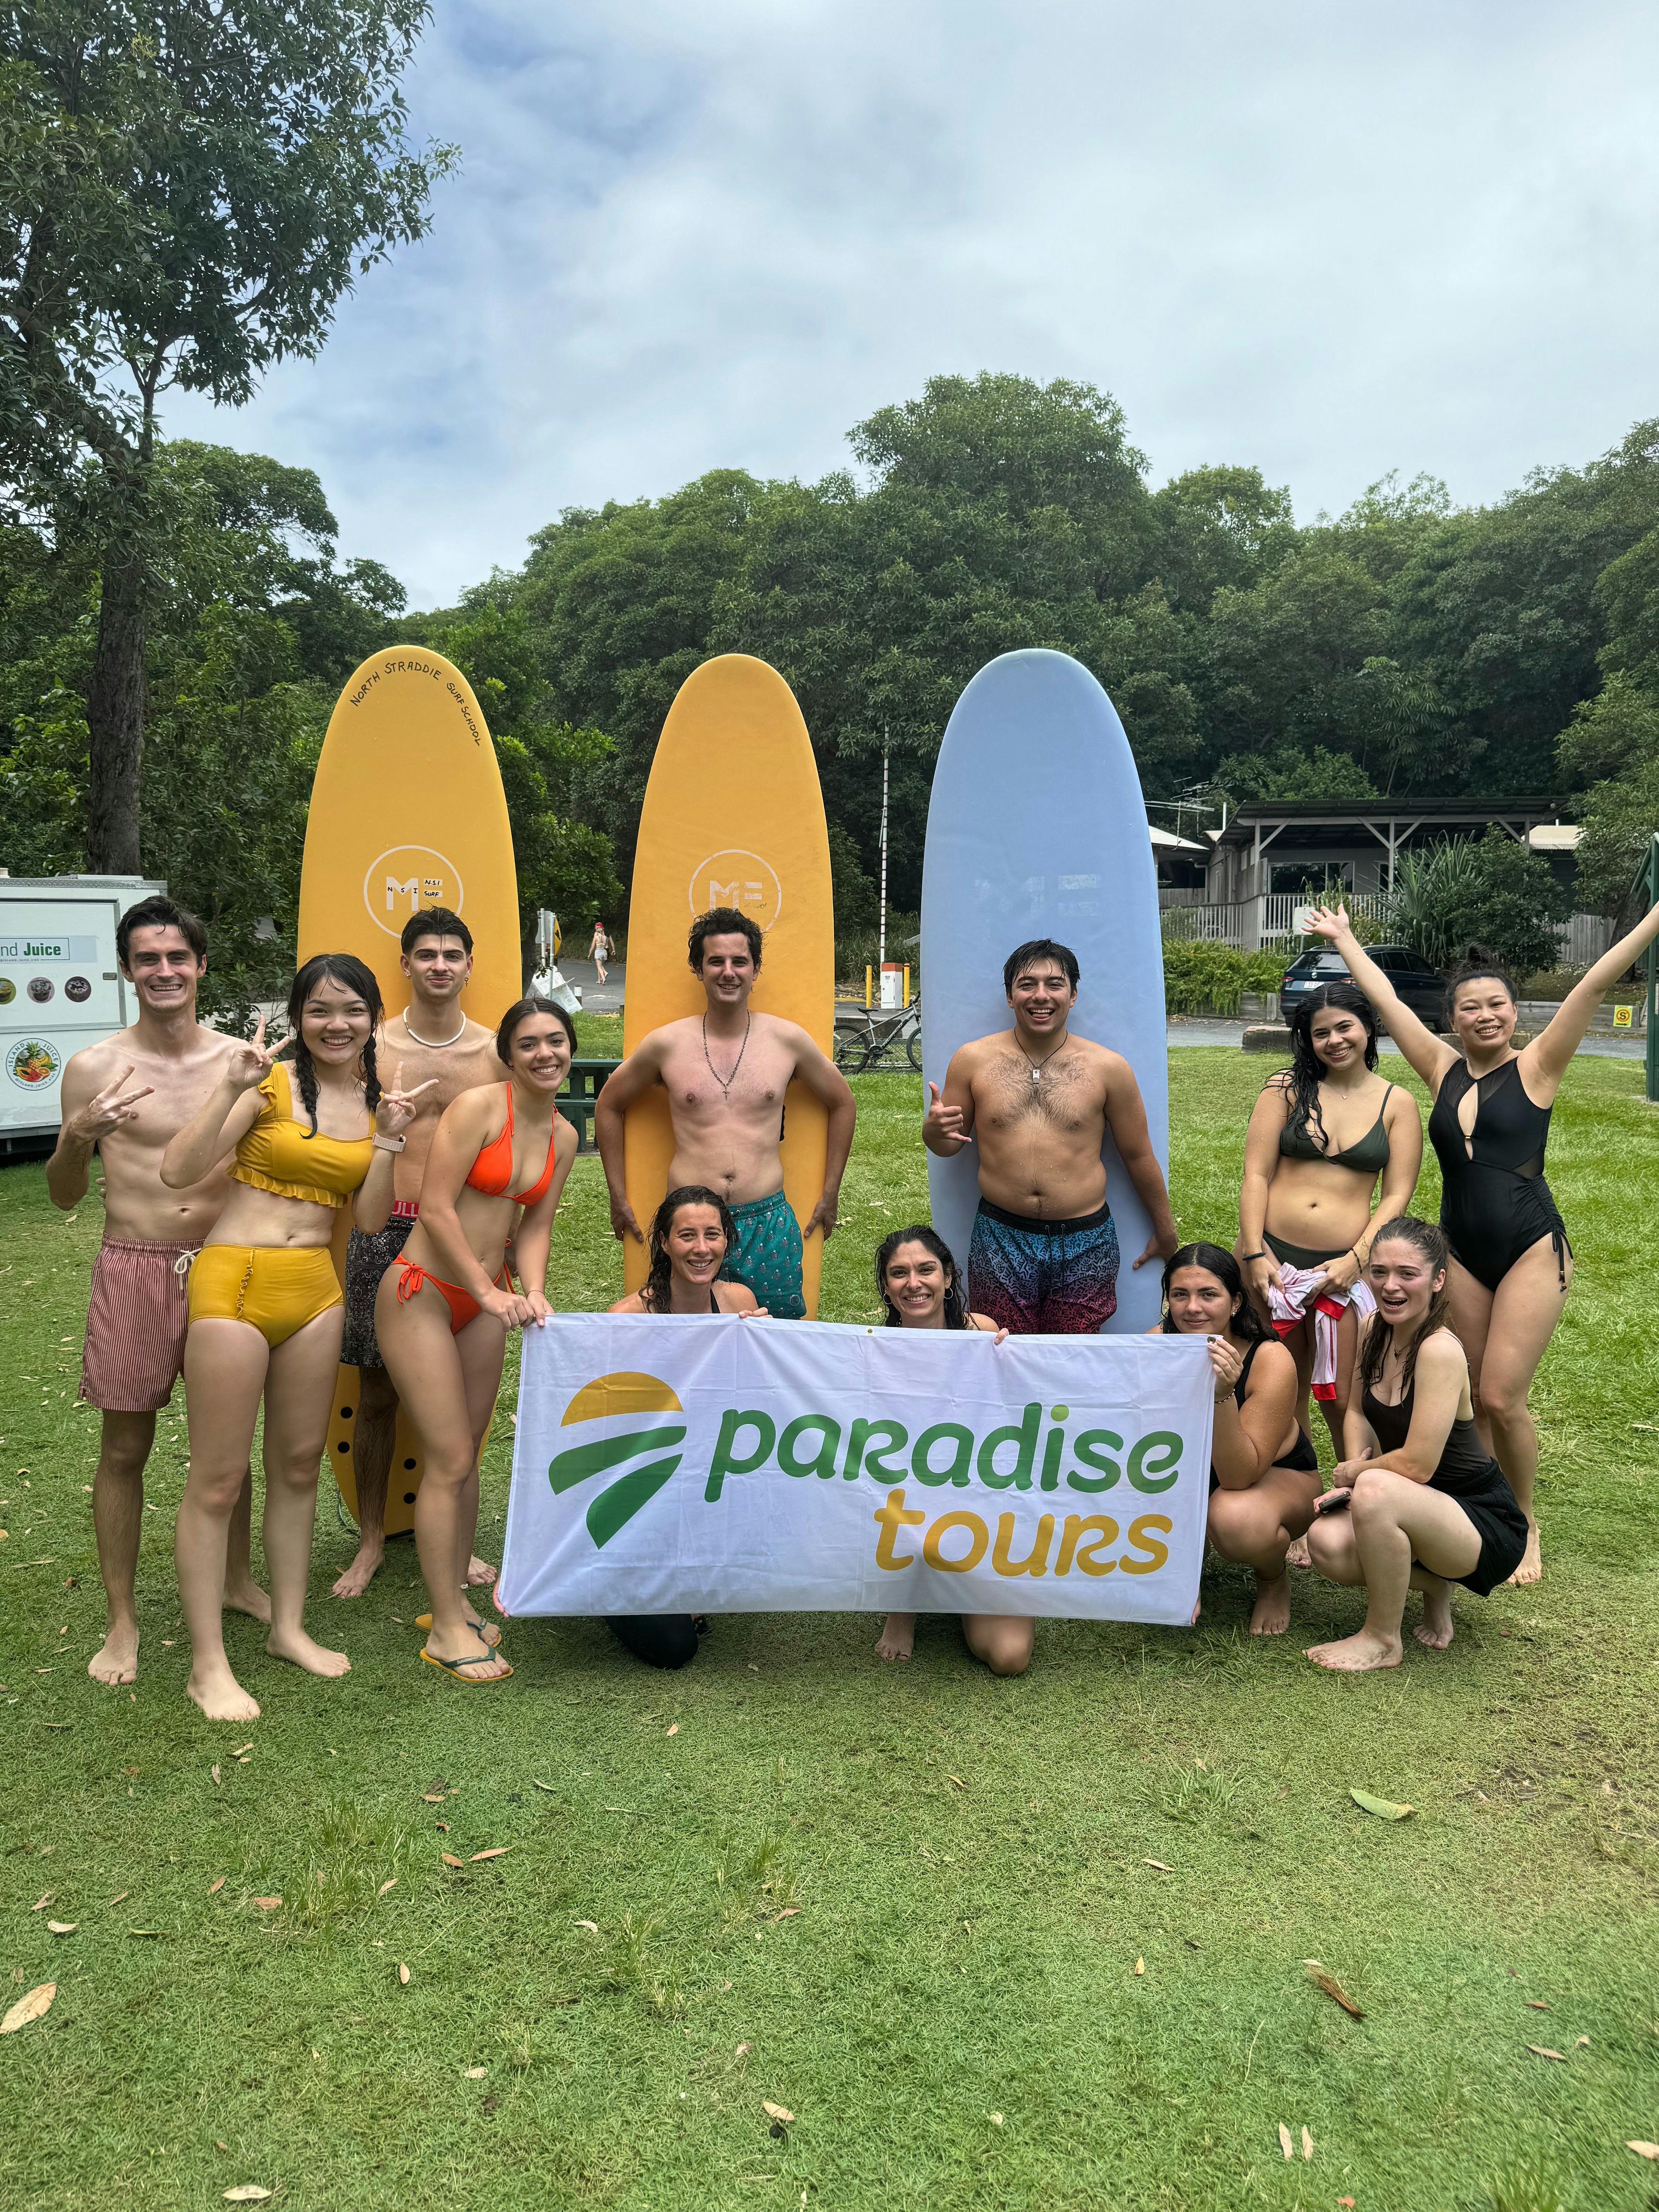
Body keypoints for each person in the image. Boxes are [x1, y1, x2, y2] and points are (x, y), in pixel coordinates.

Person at [1306, 898, 1659, 1583]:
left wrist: (1651, 922)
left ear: (1513, 1011)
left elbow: (1589, 985)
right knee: (1464, 1389)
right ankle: (1477, 1507)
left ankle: (1522, 1521)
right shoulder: (1441, 1069)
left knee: (1500, 1396)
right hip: (1460, 1251)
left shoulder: (1536, 1067)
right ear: (1452, 1018)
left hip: (1529, 1243)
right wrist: (1345, 939)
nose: (1484, 1016)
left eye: (1496, 1005)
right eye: (1469, 1008)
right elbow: (1385, 1003)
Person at [160, 957, 426, 1722]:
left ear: (373, 1017)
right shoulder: (269, 1085)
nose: (335, 1024)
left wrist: (389, 1141)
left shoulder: (376, 1102)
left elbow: (372, 1220)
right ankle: (207, 1665)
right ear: (299, 1018)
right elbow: (180, 1171)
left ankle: (287, 1628)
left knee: (300, 1467)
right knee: (216, 1479)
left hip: (317, 1289)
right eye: (319, 1010)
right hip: (235, 1281)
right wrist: (229, 1089)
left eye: (350, 1010)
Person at [47, 894, 270, 1686]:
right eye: (148, 958)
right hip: (134, 1262)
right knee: (124, 1448)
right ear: (127, 969)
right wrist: (76, 1140)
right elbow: (65, 1194)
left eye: (178, 957)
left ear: (202, 966)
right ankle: (122, 1621)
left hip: (224, 1262)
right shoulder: (96, 1069)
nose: (165, 970)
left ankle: (238, 1582)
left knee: (228, 1447)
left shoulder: (238, 1062)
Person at [376, 997, 579, 1684]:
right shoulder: (477, 1109)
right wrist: (489, 1290)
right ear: (509, 1056)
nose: (544, 1054)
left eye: (556, 1041)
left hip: (485, 1300)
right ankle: (446, 1626)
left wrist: (533, 1286)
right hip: (422, 1292)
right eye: (529, 1044)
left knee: (467, 1458)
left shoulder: (565, 1135)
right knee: (450, 1455)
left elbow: (536, 1225)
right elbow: (434, 1206)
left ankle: (451, 1607)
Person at [333, 907, 503, 1600]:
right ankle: (372, 1537)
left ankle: (457, 1543)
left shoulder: (495, 1051)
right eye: (425, 954)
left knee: (464, 1403)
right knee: (374, 1394)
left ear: (468, 964)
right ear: (404, 964)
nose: (439, 965)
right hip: (383, 1228)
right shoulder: (367, 1045)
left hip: (459, 1240)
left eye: (451, 954)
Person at [595, 906, 856, 1320]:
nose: (728, 971)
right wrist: (618, 1195)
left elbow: (842, 1102)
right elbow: (609, 1104)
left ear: (756, 969)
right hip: (689, 1226)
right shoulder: (667, 1044)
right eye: (716, 961)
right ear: (698, 968)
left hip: (765, 1221)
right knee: (682, 1339)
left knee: (775, 1337)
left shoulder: (788, 1040)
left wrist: (831, 1192)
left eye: (740, 961)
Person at [1304, 1216, 1527, 1671]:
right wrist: (1352, 1473)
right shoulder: (1371, 1328)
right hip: (1417, 1505)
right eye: (1380, 1272)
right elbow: (1356, 1411)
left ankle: (1383, 1639)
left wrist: (1356, 1475)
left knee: (1376, 1490)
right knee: (1326, 1541)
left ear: (1438, 1280)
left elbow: (1420, 1466)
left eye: (1408, 1274)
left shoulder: (1440, 1351)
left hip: (1481, 1521)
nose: (1391, 1286)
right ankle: (1433, 1584)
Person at [923, 938, 1178, 1333]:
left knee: (1073, 1354)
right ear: (1010, 996)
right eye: (1027, 984)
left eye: (1055, 984)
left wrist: (1165, 1229)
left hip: (1085, 1238)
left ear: (1073, 995)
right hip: (1000, 1236)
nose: (1041, 996)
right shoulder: (973, 1060)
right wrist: (933, 1132)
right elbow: (946, 1147)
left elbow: (1138, 1155)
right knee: (999, 1347)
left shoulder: (1109, 1068)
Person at [1238, 982, 1422, 1452]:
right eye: (1321, 1033)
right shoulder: (1285, 1088)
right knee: (1280, 1388)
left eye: (1345, 1027)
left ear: (1368, 1028)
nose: (1335, 1040)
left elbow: (1396, 1195)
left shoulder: (1396, 1102)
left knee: (1341, 1397)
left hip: (1342, 1267)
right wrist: (1256, 1253)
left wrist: (1356, 1261)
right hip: (1270, 1260)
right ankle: (1295, 1502)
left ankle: (1356, 1500)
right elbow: (1256, 1175)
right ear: (1308, 1040)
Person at [605, 1184, 763, 1670]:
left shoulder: (739, 1301)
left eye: (712, 1235)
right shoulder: (627, 1317)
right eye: (687, 1236)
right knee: (676, 1648)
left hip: (707, 1474)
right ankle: (604, 1586)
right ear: (666, 1244)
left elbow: (754, 1400)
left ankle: (691, 1571)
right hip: (643, 1489)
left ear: (727, 1241)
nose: (701, 1248)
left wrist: (762, 1348)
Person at [867, 1224, 1020, 1673]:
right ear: (886, 1288)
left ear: (949, 1277)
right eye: (899, 1274)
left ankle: (964, 1586)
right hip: (909, 1506)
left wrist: (1013, 1361)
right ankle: (904, 1605)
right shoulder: (871, 1351)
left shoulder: (985, 1335)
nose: (914, 1283)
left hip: (980, 1505)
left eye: (926, 1270)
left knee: (1010, 1656)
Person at [1154, 1242, 1322, 1636]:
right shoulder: (1157, 1346)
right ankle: (1184, 1570)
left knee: (1235, 1519)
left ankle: (1271, 1578)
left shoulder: (1269, 1360)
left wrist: (1222, 1395)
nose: (1192, 1308)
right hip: (1194, 1477)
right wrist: (1007, 1354)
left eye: (1208, 1294)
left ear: (1235, 1303)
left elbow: (1237, 1476)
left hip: (1271, 1482)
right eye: (1180, 1295)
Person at [589, 920, 610, 985]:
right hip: (604, 952)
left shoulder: (596, 937)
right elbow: (606, 945)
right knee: (600, 966)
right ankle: (599, 980)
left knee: (599, 967)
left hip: (598, 951)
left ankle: (604, 977)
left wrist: (590, 954)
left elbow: (593, 946)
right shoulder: (606, 937)